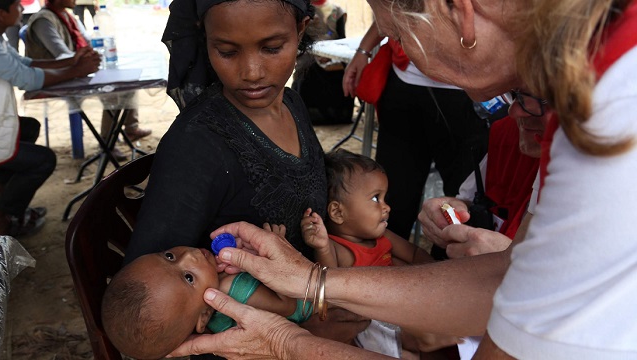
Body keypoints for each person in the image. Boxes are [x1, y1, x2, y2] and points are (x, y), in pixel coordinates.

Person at [165, 0, 637, 359]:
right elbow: (507, 277)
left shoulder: (610, 122)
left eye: (398, 40)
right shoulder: (598, 75)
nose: (402, 56)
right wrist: (315, 282)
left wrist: (291, 343)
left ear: (460, 15)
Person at [126, 0, 369, 356]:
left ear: (301, 30)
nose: (252, 72)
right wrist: (303, 336)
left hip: (318, 300)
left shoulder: (291, 104)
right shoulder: (196, 147)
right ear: (204, 39)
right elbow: (151, 304)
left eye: (272, 48)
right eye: (226, 51)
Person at [343, 23, 489, 260]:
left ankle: (446, 276)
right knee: (392, 198)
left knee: (464, 205)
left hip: (462, 89)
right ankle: (380, 273)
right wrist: (364, 50)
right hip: (405, 84)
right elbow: (392, 10)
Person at [301, 149, 448, 358]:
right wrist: (322, 247)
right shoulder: (337, 248)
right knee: (416, 341)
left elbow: (415, 254)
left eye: (384, 197)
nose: (386, 207)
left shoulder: (383, 236)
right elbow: (329, 284)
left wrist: (440, 277)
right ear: (337, 212)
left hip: (400, 306)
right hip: (370, 319)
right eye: (375, 198)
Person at [102, 242, 313, 360]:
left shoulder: (211, 311)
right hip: (312, 305)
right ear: (204, 316)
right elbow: (288, 305)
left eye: (168, 256)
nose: (189, 255)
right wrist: (269, 259)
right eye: (188, 278)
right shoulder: (232, 289)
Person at [0, 0, 99, 236]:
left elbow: (25, 63)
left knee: (29, 127)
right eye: (17, 6)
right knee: (43, 161)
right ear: (2, 14)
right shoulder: (42, 20)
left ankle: (1, 191)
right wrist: (76, 70)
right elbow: (26, 78)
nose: (22, 9)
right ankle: (3, 215)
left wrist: (71, 61)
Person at [25, 0, 151, 161]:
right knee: (111, 90)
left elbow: (89, 42)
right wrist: (85, 62)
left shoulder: (69, 17)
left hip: (73, 70)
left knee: (127, 80)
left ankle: (130, 128)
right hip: (54, 76)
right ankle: (107, 144)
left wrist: (92, 55)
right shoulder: (43, 20)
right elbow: (62, 55)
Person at [420, 101, 547, 259]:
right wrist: (446, 213)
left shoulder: (581, 176)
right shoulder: (510, 133)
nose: (514, 110)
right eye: (518, 94)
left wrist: (511, 257)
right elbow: (468, 199)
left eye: (546, 100)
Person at [291, 0, 353, 125]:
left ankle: (338, 115)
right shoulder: (301, 10)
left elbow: (341, 38)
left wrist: (332, 55)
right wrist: (317, 53)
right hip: (308, 54)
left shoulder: (337, 11)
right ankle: (310, 115)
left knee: (342, 70)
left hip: (333, 55)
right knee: (308, 69)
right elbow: (299, 40)